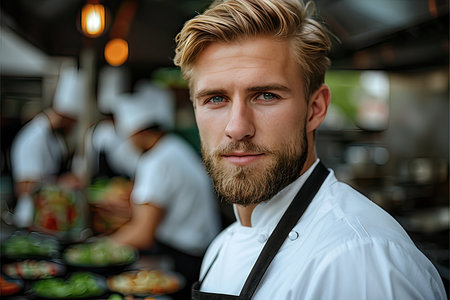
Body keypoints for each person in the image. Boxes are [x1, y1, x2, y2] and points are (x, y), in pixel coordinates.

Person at [173, 0, 447, 299]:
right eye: (215, 99)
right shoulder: (223, 245)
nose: (237, 128)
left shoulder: (360, 259)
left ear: (315, 109)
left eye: (266, 95)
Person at [109, 82, 221, 298]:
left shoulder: (157, 160)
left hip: (182, 257)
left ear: (138, 132)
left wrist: (102, 245)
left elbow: (142, 234)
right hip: (200, 252)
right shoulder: (173, 147)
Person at [10, 66, 85, 228]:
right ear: (67, 117)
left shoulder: (52, 137)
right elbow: (24, 187)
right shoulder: (33, 137)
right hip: (30, 219)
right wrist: (63, 183)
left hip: (45, 219)